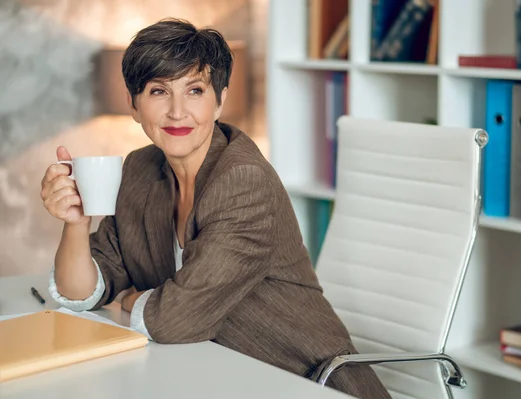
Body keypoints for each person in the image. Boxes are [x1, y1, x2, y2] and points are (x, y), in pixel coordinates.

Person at [40, 18, 392, 399]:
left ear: (220, 100)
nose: (177, 112)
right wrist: (75, 223)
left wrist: (128, 299)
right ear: (134, 105)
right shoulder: (140, 169)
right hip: (216, 375)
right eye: (159, 91)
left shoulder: (243, 181)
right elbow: (83, 290)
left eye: (195, 90)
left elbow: (172, 321)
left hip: (307, 382)